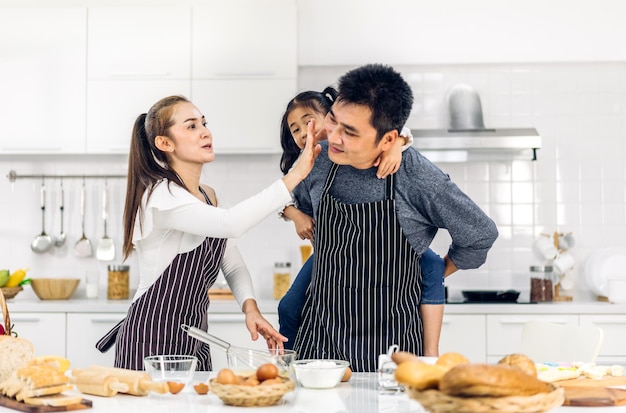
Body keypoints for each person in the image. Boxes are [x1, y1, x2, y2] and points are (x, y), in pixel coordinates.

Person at [291, 64, 499, 372]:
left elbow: (480, 234)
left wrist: (435, 271)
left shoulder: (416, 176)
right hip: (320, 347)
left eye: (350, 132)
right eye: (333, 120)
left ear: (389, 139)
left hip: (392, 355)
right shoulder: (317, 159)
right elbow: (300, 203)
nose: (333, 137)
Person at [96, 95, 321, 371]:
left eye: (204, 123)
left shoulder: (209, 195)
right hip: (150, 339)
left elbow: (231, 261)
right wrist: (297, 173)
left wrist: (250, 308)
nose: (205, 131)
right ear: (164, 143)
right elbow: (232, 223)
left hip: (194, 339)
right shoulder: (161, 196)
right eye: (191, 126)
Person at [276, 88, 446, 354]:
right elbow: (277, 195)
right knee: (287, 306)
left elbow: (397, 130)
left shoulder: (365, 144)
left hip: (394, 252)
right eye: (294, 129)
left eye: (307, 121)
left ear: (334, 118)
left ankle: (431, 354)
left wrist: (398, 145)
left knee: (433, 264)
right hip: (331, 256)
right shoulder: (307, 163)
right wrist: (295, 213)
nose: (301, 133)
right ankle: (287, 362)